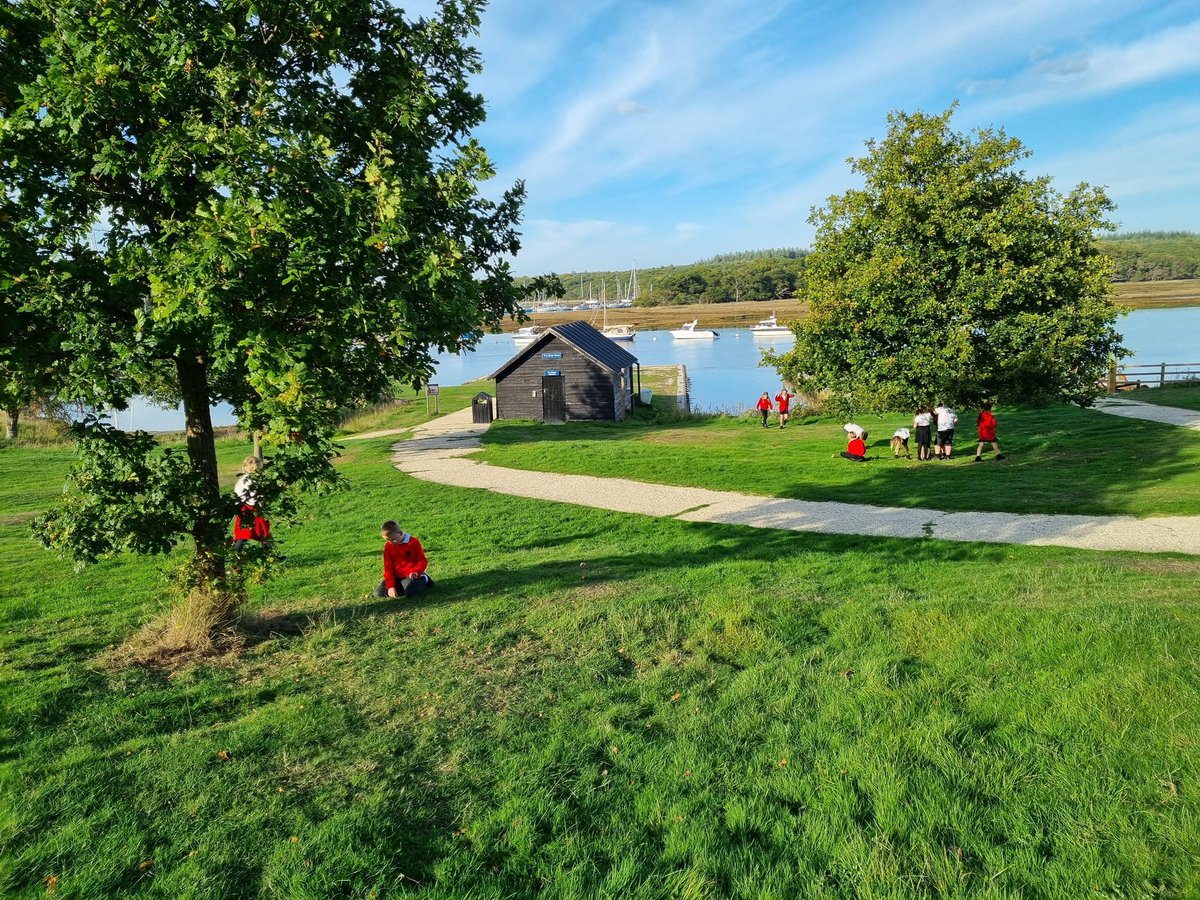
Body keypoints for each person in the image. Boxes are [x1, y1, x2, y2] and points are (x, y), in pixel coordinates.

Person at [375, 520, 433, 599]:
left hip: (410, 575)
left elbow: (422, 561)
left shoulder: (413, 542)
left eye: (393, 539)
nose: (391, 542)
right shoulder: (388, 546)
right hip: (397, 577)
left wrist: (416, 571)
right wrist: (391, 586)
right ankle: (403, 587)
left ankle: (424, 578)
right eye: (388, 540)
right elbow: (388, 567)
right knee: (378, 593)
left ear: (401, 533)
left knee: (410, 593)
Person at [232, 456, 271, 550]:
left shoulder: (245, 480)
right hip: (250, 509)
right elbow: (251, 496)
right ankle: (236, 558)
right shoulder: (247, 480)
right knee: (246, 534)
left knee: (254, 533)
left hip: (247, 509)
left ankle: (271, 555)